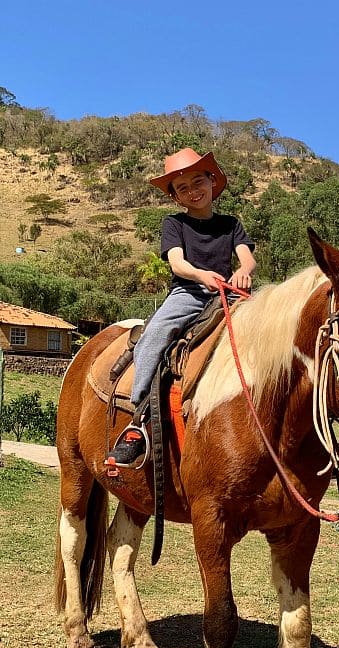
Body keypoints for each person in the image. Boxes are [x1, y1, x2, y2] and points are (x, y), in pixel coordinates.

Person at [105, 148, 256, 468]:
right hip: (189, 293)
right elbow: (177, 262)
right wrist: (202, 275)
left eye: (198, 181)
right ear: (175, 197)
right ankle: (138, 420)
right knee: (155, 334)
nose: (193, 191)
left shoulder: (231, 224)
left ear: (212, 182)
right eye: (182, 188)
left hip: (228, 294)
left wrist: (243, 271)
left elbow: (247, 256)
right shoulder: (173, 224)